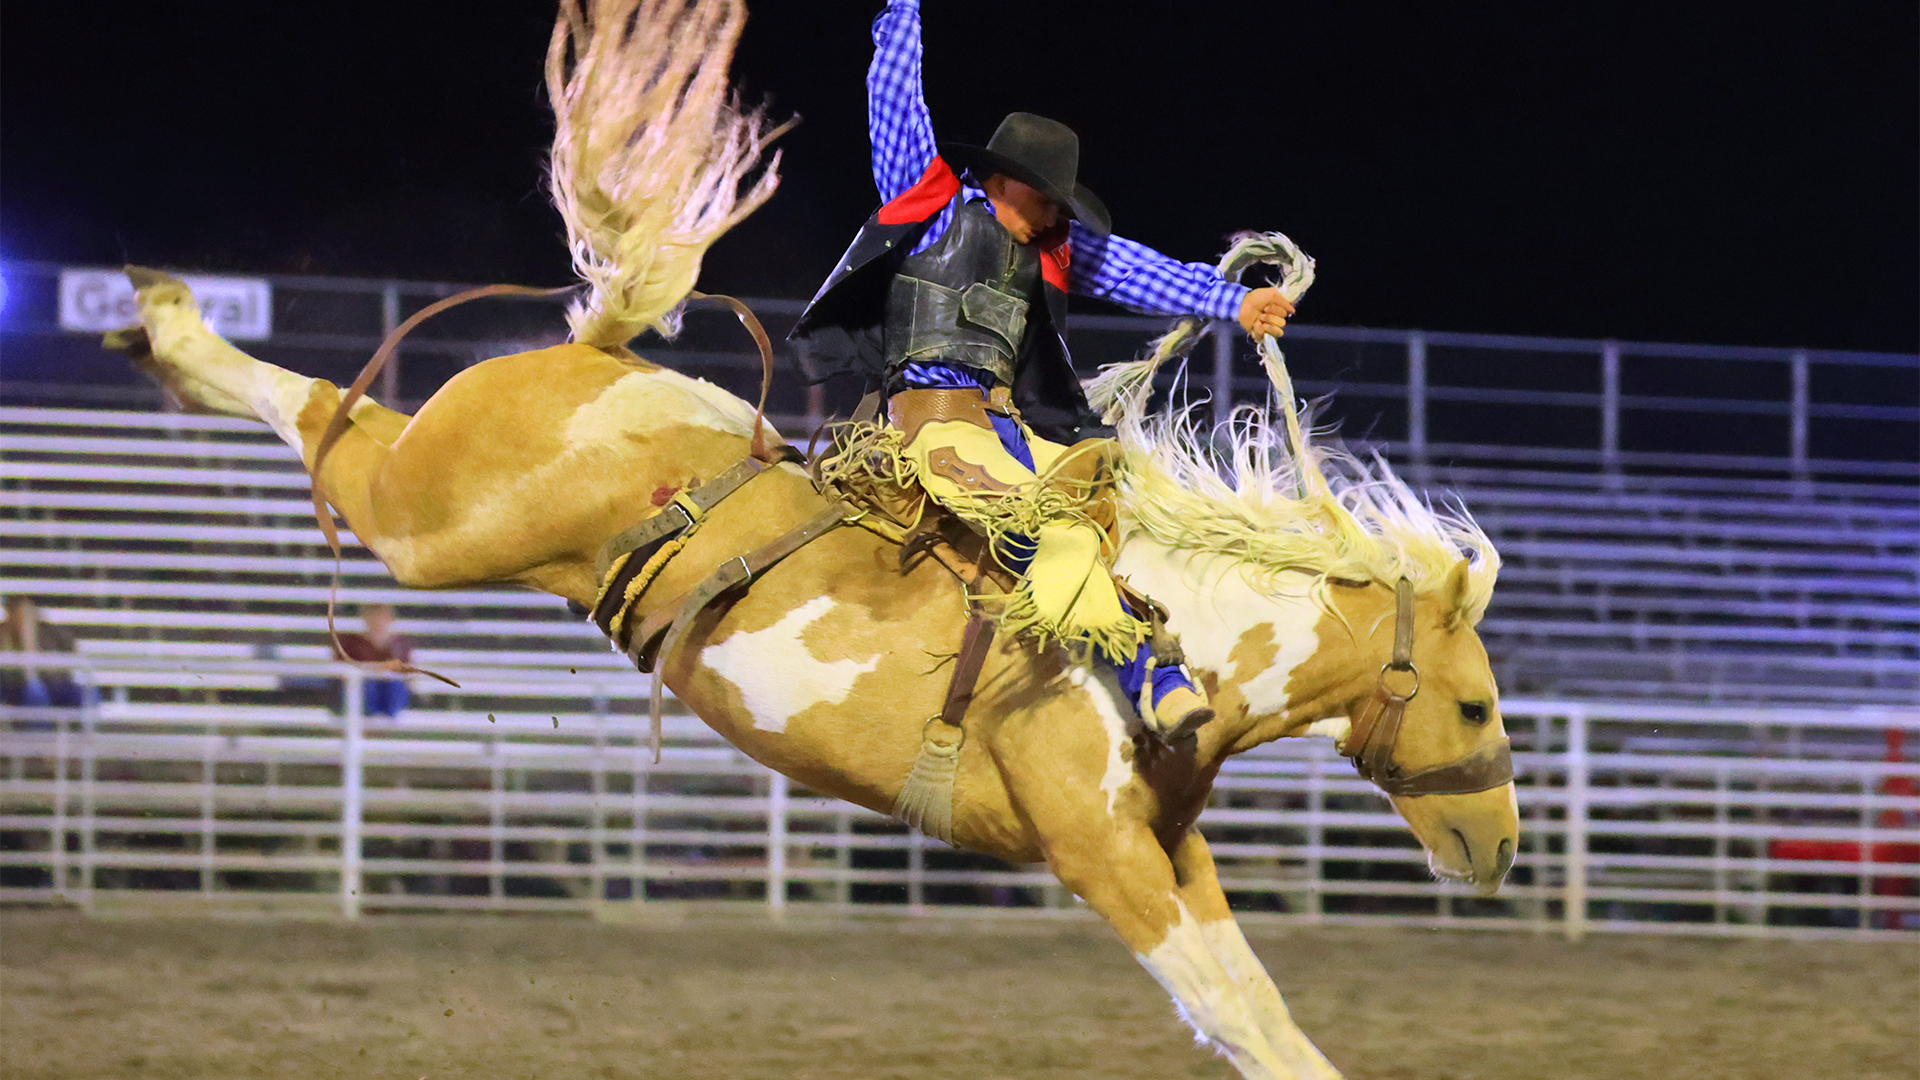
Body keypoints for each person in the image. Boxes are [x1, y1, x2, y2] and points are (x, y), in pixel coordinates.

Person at [791, 0, 1296, 740]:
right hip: (931, 425)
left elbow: (1137, 271)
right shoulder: (926, 200)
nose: (1058, 215)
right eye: (1048, 198)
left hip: (1008, 429)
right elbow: (896, 96)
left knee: (1127, 509)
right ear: (1001, 180)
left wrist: (1235, 302)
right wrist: (903, 9)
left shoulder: (1050, 248)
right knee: (1048, 533)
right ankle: (1150, 676)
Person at [0, 597, 87, 721]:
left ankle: (80, 732)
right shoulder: (3, 633)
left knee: (82, 692)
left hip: (52, 681)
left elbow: (72, 652)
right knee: (35, 692)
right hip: (12, 685)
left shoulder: (51, 632)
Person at [332, 604, 415, 721]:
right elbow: (340, 667)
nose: (378, 622)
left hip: (389, 688)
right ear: (366, 618)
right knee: (366, 682)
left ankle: (390, 714)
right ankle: (371, 714)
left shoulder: (399, 643)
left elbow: (407, 671)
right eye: (374, 617)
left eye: (382, 618)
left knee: (395, 681)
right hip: (363, 687)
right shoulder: (351, 641)